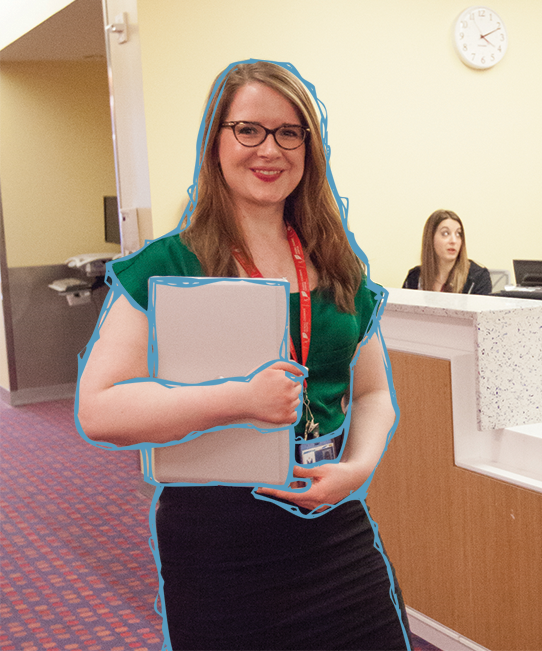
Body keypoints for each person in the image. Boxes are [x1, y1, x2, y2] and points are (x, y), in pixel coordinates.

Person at [75, 60, 411, 650]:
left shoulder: (336, 265)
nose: (269, 149)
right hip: (218, 542)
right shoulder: (169, 265)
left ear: (309, 147)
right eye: (248, 129)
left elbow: (373, 392)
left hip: (333, 527)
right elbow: (100, 409)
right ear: (217, 140)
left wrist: (356, 469)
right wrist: (240, 401)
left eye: (289, 132)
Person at [402, 209, 492, 294]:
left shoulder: (477, 278)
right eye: (445, 233)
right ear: (430, 239)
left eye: (458, 234)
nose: (453, 241)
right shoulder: (414, 277)